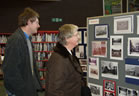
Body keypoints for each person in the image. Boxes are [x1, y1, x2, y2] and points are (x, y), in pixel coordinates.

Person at [2, 7, 42, 96]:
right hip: (19, 91)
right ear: (28, 22)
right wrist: (23, 90)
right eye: (37, 23)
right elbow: (10, 70)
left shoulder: (27, 39)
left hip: (26, 87)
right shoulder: (16, 40)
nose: (38, 26)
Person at [45, 24, 83, 96]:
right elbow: (54, 90)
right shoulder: (59, 60)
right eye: (76, 35)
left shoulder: (68, 54)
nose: (79, 37)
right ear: (67, 39)